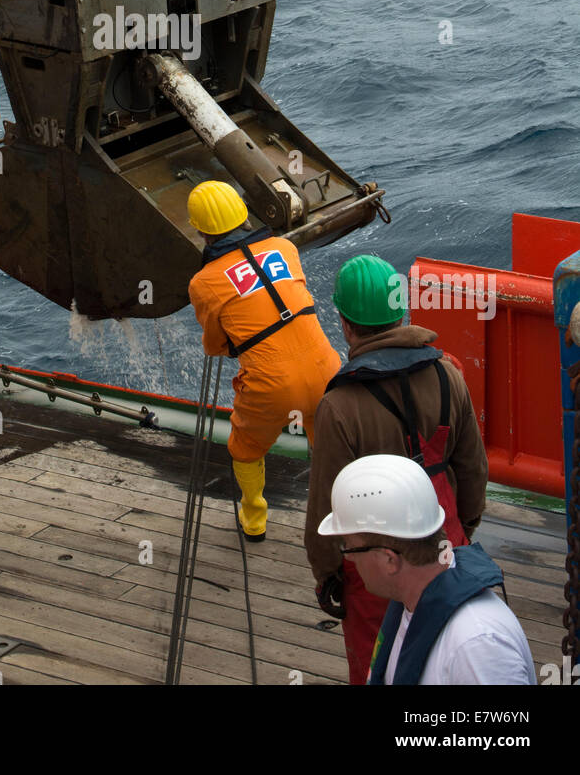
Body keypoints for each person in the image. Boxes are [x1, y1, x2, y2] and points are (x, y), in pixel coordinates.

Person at [304, 253, 489, 684]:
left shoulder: (338, 407)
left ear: (346, 325)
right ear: (400, 311)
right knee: (448, 654)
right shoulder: (449, 374)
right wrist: (464, 528)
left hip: (374, 573)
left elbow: (325, 509)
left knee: (380, 669)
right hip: (447, 543)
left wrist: (328, 576)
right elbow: (473, 469)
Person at [187, 180, 340, 540]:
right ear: (243, 214)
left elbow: (215, 345)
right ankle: (340, 517)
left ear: (200, 230)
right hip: (326, 368)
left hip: (272, 385)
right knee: (328, 446)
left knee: (245, 447)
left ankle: (254, 518)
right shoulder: (285, 248)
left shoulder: (203, 283)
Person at [318, 454, 536, 685]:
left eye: (349, 547)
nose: (349, 558)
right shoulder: (411, 602)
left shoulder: (477, 645)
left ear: (389, 559)